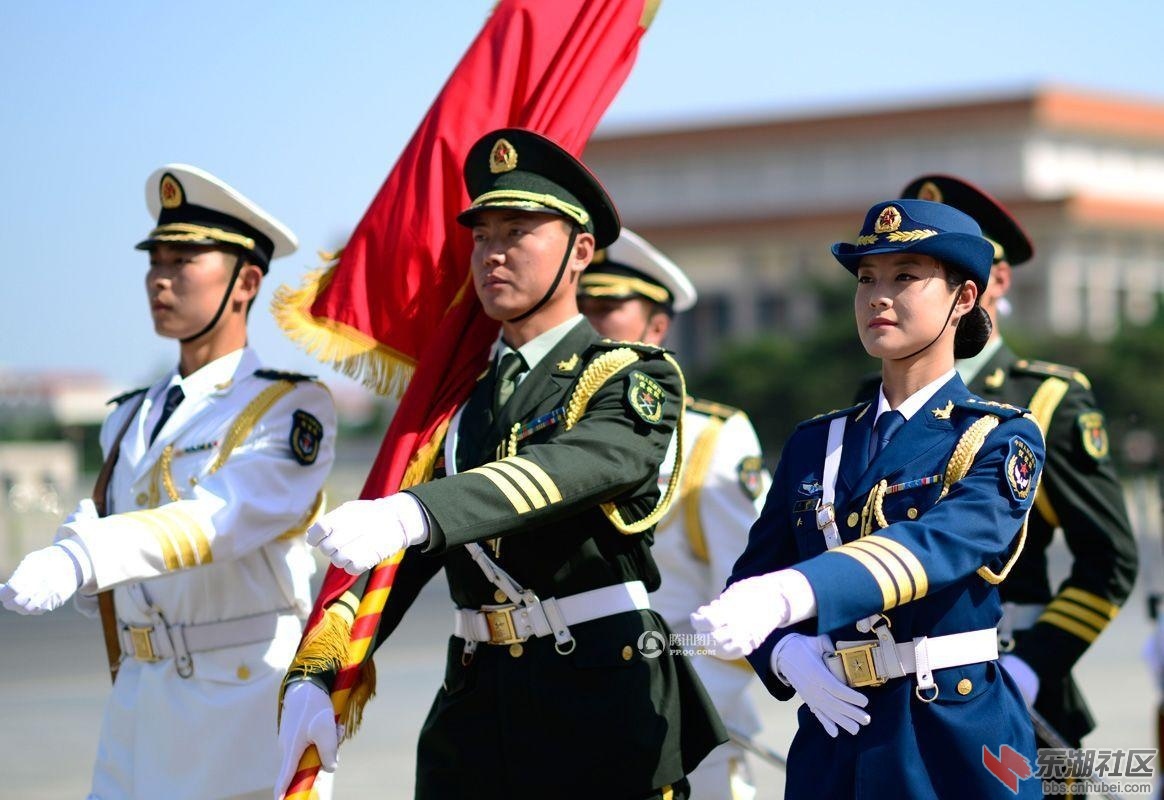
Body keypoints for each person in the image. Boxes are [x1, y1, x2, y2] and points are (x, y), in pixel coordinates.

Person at [277, 128, 725, 800]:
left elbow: (572, 469)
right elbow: (399, 564)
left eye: (517, 232)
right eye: (482, 236)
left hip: (601, 708)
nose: (492, 254)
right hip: (477, 709)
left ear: (579, 252)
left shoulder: (630, 378)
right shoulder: (457, 403)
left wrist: (416, 510)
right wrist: (324, 669)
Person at [0, 164, 337, 800]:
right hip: (138, 703)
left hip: (238, 707)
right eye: (156, 258)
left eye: (185, 259)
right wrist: (89, 552)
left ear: (247, 282)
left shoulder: (288, 410)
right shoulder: (128, 415)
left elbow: (218, 520)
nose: (161, 276)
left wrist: (85, 556)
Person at [692, 198, 1047, 798]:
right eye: (866, 279)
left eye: (905, 277)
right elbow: (751, 579)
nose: (878, 296)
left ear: (963, 299)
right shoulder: (817, 442)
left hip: (949, 738)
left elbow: (935, 544)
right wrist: (783, 654)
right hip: (836, 737)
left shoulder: (998, 435)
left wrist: (794, 593)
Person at [578, 229, 768, 800]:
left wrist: (669, 689)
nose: (590, 322)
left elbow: (745, 604)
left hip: (682, 717)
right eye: (580, 306)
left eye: (608, 308)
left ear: (656, 328)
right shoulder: (544, 435)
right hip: (568, 708)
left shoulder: (711, 438)